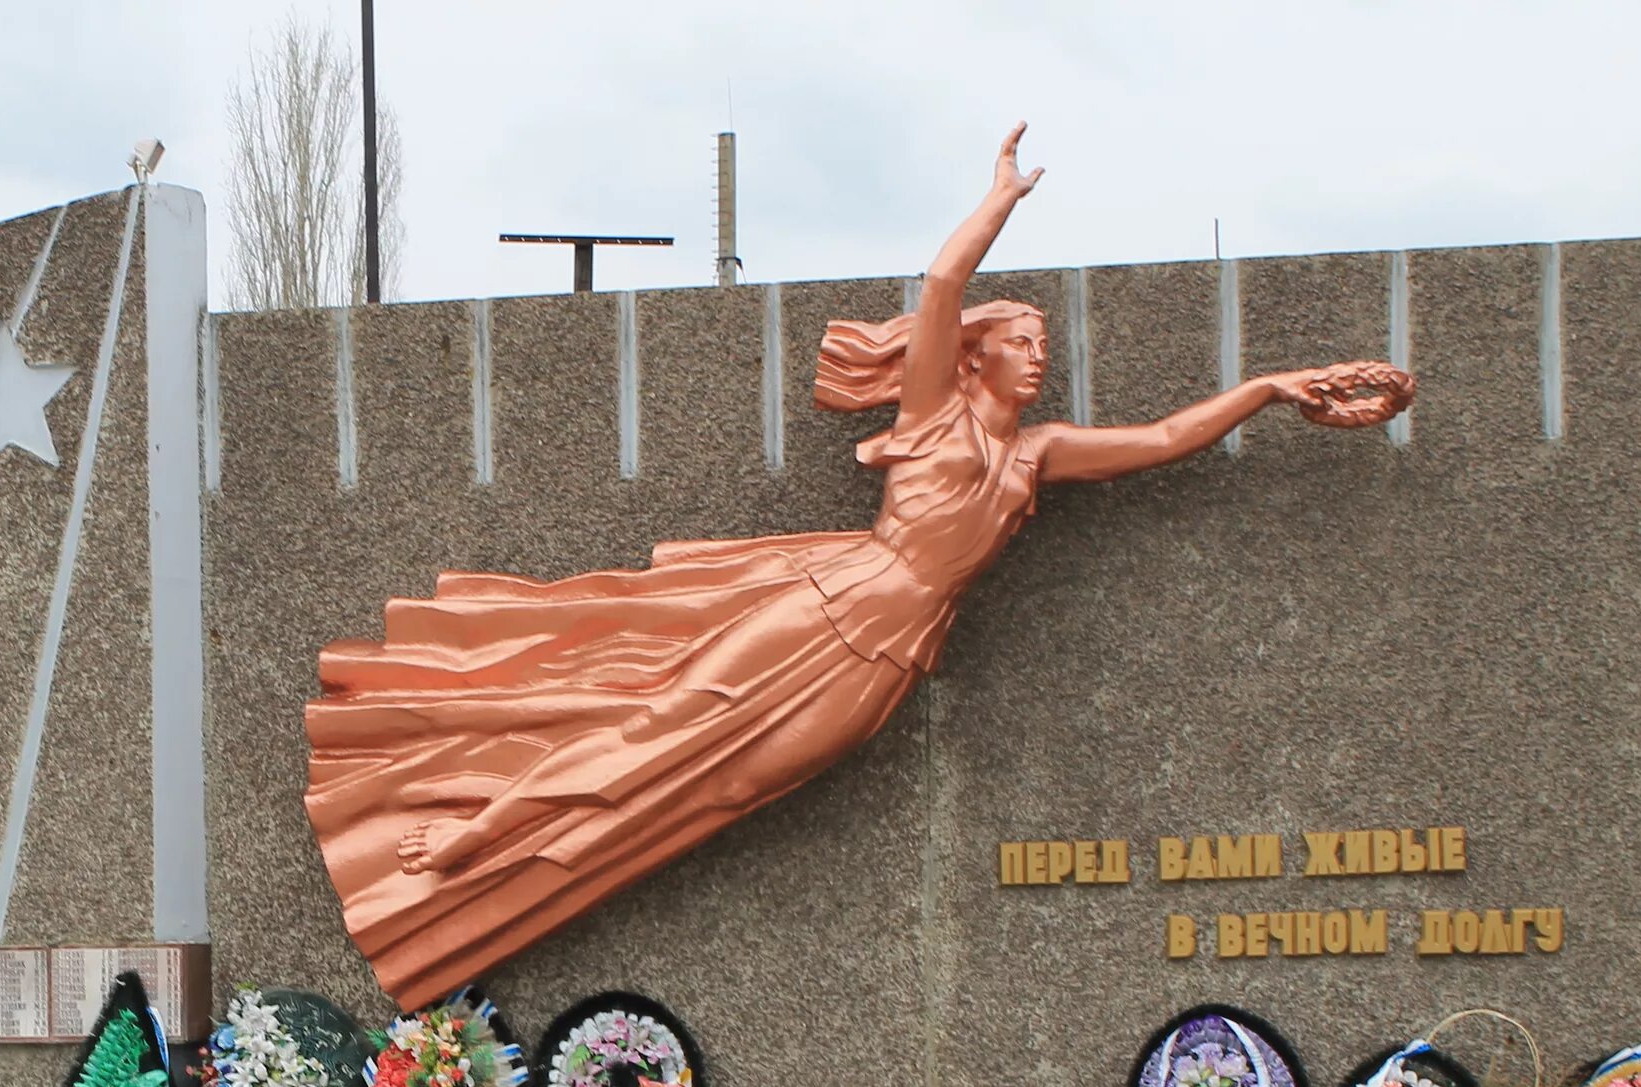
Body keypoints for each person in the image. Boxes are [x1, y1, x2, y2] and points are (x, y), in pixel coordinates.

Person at [304, 125, 1412, 1008]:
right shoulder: (932, 412)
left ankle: (503, 853)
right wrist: (997, 203)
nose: (1041, 359)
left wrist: (1268, 388)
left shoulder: (1034, 460)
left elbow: (1166, 438)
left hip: (884, 666)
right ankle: (466, 833)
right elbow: (938, 285)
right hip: (834, 604)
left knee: (724, 785)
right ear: (982, 354)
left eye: (1042, 350)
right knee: (659, 728)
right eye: (1027, 343)